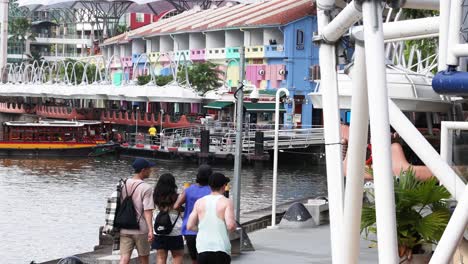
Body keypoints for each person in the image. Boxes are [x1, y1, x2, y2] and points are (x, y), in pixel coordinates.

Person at [187, 173, 236, 264]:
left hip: (202, 248)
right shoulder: (226, 202)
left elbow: (189, 226)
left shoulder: (199, 202)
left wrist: (202, 229)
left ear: (209, 186)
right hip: (221, 248)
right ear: (224, 186)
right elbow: (230, 225)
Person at [173, 165, 212, 264]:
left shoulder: (189, 190)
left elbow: (176, 206)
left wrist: (184, 214)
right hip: (206, 230)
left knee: (194, 259)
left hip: (189, 229)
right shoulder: (211, 192)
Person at [119, 158, 155, 264]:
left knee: (124, 258)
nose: (150, 171)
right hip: (141, 229)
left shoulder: (123, 184)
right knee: (144, 258)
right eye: (149, 169)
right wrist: (150, 230)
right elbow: (147, 210)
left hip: (124, 226)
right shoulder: (146, 188)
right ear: (143, 170)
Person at [152, 173, 184, 264]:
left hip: (159, 230)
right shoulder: (177, 197)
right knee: (177, 256)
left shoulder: (155, 196)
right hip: (175, 231)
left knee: (161, 257)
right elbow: (182, 213)